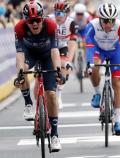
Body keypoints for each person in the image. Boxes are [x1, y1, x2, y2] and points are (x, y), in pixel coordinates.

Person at [13, 1, 64, 152]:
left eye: (37, 20)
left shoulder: (50, 25)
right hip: (30, 54)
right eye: (31, 21)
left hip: (47, 55)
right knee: (22, 71)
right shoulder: (19, 28)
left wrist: (58, 71)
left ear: (42, 18)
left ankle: (54, 135)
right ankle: (28, 104)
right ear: (26, 20)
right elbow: (20, 54)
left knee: (51, 94)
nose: (35, 24)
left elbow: (55, 51)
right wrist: (20, 73)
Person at [85, 2, 120, 136]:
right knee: (94, 66)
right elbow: (89, 47)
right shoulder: (92, 26)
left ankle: (118, 120)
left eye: (112, 20)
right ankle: (97, 92)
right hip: (98, 50)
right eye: (105, 21)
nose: (108, 24)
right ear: (100, 19)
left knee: (117, 84)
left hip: (116, 52)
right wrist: (88, 64)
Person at [47, 0, 78, 109]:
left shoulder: (71, 23)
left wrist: (68, 60)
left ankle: (59, 94)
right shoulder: (48, 19)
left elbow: (72, 44)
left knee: (63, 65)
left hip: (63, 46)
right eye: (56, 13)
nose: (57, 16)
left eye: (60, 13)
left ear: (67, 13)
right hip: (49, 46)